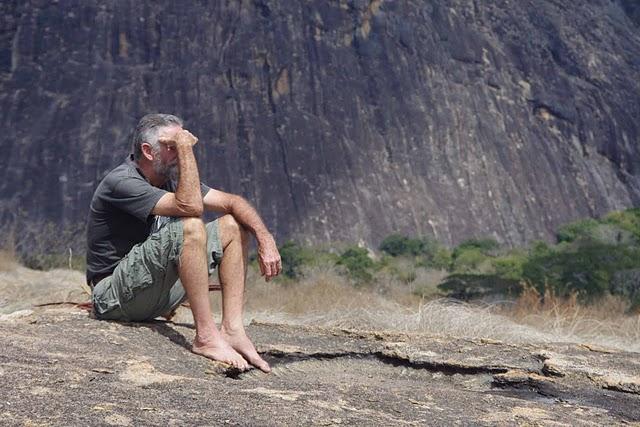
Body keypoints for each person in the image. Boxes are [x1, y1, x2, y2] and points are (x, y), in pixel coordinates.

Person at [86, 113, 281, 372]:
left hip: (154, 294)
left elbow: (233, 202)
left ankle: (233, 329)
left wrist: (265, 237)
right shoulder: (121, 182)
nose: (179, 150)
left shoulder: (171, 183)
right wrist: (186, 148)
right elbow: (189, 206)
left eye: (182, 143)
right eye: (172, 145)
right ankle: (206, 337)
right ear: (148, 151)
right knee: (190, 226)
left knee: (233, 226)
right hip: (114, 296)